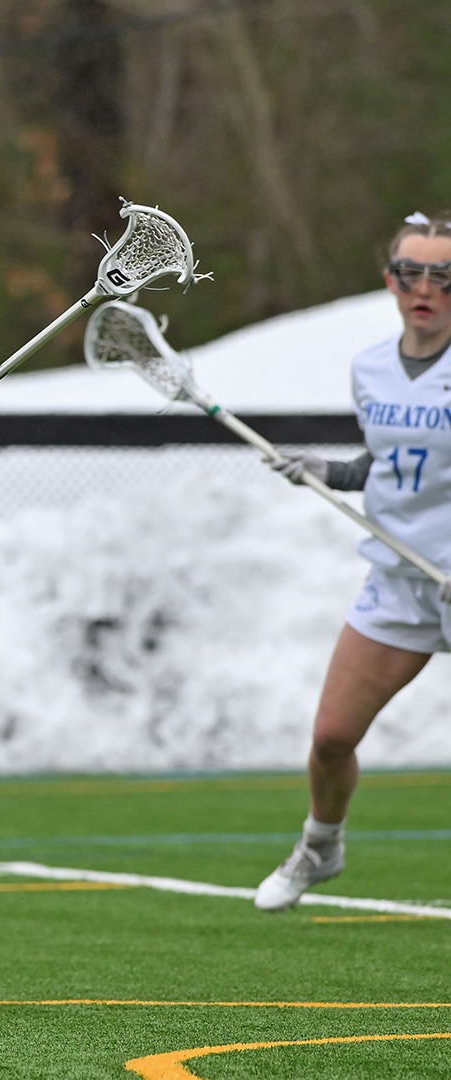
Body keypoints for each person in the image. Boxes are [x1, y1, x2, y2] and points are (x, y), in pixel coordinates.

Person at [255, 211, 451, 911]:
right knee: (333, 736)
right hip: (400, 580)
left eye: (443, 276)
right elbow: (391, 462)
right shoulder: (371, 368)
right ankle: (321, 845)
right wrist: (329, 471)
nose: (424, 288)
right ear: (389, 280)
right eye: (410, 272)